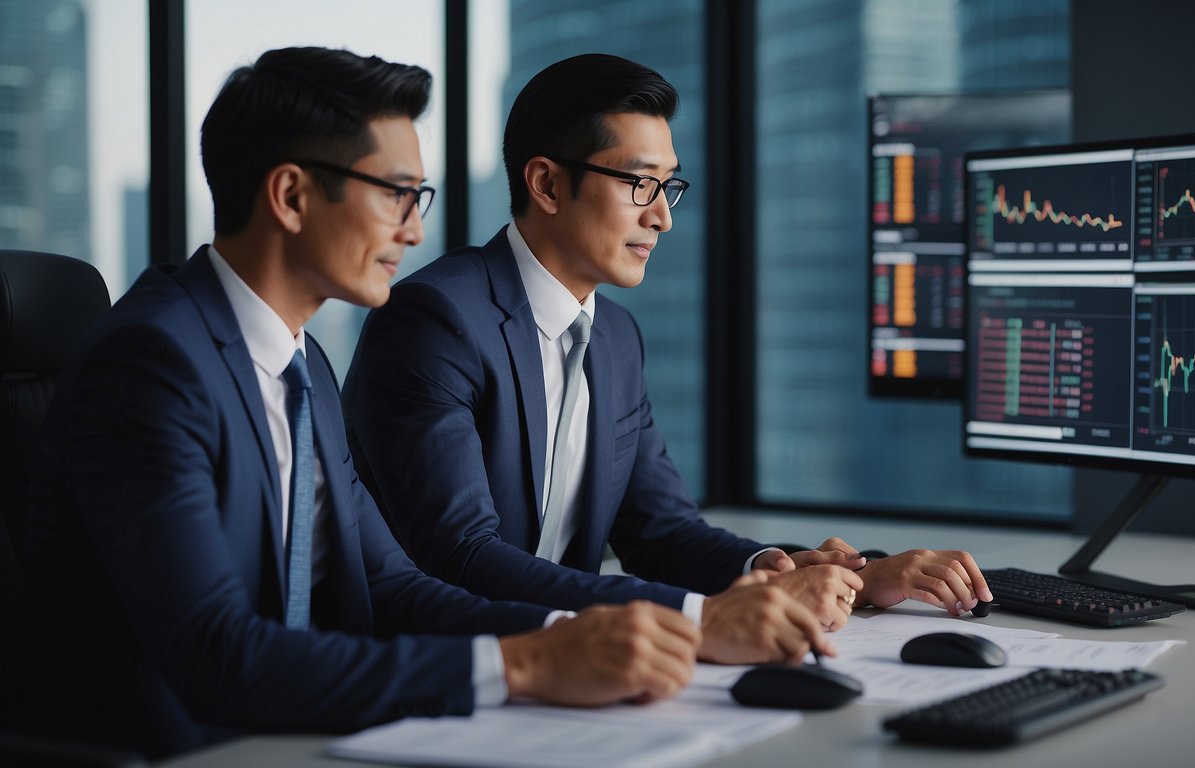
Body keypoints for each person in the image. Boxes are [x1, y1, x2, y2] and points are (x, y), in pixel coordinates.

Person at [16, 47, 705, 760]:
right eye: (394, 194)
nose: (412, 229)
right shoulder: (152, 364)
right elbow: (217, 653)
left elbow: (392, 586)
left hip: (294, 730)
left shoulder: (302, 360)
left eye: (419, 199)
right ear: (291, 197)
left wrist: (571, 639)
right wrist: (524, 666)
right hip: (181, 750)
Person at [342, 52, 992, 660]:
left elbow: (661, 531)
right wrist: (703, 618)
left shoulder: (616, 337)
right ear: (545, 183)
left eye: (667, 186)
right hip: (447, 667)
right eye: (638, 184)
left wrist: (813, 572)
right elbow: (463, 557)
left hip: (589, 666)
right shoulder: (436, 320)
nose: (662, 217)